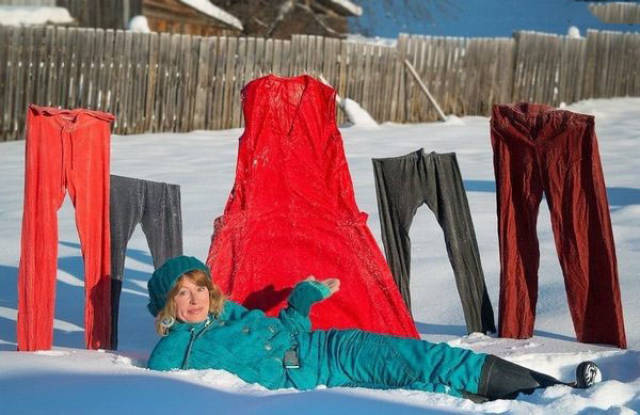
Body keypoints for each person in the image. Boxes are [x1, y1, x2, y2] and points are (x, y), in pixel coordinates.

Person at [146, 256, 602, 401]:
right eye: (183, 294)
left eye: (200, 288)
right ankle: (536, 400)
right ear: (168, 304)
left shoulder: (230, 314)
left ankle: (556, 388)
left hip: (327, 346)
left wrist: (301, 301)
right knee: (423, 385)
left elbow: (281, 331)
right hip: (318, 376)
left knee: (428, 357)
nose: (195, 299)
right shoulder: (175, 352)